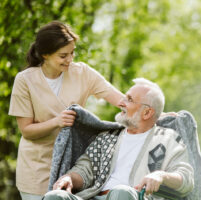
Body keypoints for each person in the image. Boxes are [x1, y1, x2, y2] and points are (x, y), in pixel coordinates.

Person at [8, 21, 124, 200]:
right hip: (36, 170)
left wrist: (153, 112)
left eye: (72, 53)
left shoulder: (83, 73)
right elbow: (26, 131)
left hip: (72, 170)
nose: (70, 59)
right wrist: (57, 122)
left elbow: (121, 100)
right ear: (45, 54)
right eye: (63, 56)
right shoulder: (25, 80)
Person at [43, 78, 194, 200]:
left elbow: (186, 178)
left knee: (121, 192)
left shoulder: (168, 139)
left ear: (147, 112)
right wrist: (69, 178)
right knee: (55, 197)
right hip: (94, 197)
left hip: (134, 197)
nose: (121, 103)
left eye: (129, 99)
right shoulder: (108, 137)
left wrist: (160, 176)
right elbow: (84, 170)